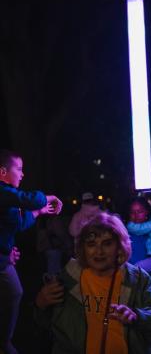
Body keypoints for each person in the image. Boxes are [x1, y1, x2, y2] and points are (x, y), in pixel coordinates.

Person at [34, 212, 151, 353]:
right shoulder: (69, 278)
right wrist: (41, 304)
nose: (99, 251)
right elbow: (46, 324)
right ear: (83, 248)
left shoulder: (137, 279)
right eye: (91, 244)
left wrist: (138, 317)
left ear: (119, 247)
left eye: (107, 243)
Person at [0, 149, 62, 354]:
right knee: (14, 292)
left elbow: (17, 223)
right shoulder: (3, 192)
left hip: (4, 260)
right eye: (19, 169)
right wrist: (47, 198)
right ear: (2, 172)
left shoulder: (7, 200)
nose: (22, 174)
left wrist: (40, 212)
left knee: (14, 292)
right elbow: (29, 198)